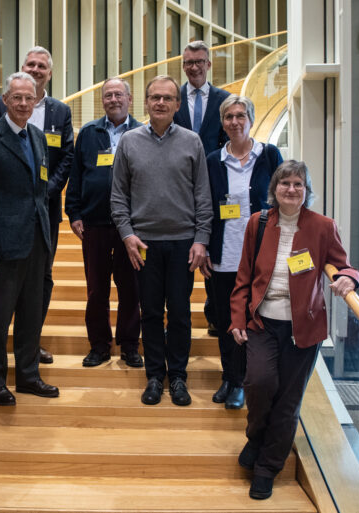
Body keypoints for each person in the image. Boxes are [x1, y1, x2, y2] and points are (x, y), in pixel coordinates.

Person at [229, 160, 359, 500]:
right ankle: (257, 436)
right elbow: (243, 277)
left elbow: (345, 267)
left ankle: (267, 467)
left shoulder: (323, 226)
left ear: (307, 190)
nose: (291, 189)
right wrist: (237, 318)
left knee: (288, 402)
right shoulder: (257, 223)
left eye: (298, 184)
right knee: (259, 384)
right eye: (285, 183)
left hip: (304, 327)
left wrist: (350, 279)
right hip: (261, 321)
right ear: (274, 189)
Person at [110, 75, 212, 407]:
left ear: (177, 104)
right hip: (144, 244)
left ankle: (178, 376)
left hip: (183, 242)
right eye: (155, 97)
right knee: (150, 312)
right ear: (146, 102)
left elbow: (203, 197)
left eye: (168, 98)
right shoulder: (128, 141)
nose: (161, 103)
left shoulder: (192, 141)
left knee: (180, 313)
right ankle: (155, 375)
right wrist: (127, 234)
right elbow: (118, 197)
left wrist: (201, 239)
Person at [0, 71, 59, 406]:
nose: (23, 103)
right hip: (4, 244)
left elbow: (40, 190)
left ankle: (28, 376)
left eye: (29, 98)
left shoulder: (37, 137)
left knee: (32, 312)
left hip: (37, 239)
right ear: (5, 100)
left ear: (36, 102)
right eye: (17, 97)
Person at [0, 46, 74, 364]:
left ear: (50, 73)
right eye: (30, 64)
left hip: (45, 211)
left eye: (42, 66)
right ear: (22, 68)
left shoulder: (61, 112)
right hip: (8, 213)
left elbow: (66, 157)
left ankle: (29, 343)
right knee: (7, 279)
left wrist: (46, 191)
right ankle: (0, 349)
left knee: (42, 278)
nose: (36, 69)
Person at [201, 95, 283, 409]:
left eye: (240, 115)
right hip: (224, 254)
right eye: (229, 117)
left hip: (260, 258)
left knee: (253, 322)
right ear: (222, 123)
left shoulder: (269, 155)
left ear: (250, 118)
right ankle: (230, 377)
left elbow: (282, 201)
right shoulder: (213, 161)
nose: (235, 122)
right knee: (225, 321)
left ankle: (247, 380)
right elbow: (205, 206)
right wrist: (205, 245)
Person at [65, 77, 143, 368]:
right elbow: (76, 175)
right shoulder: (88, 133)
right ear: (103, 101)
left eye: (118, 94)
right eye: (108, 95)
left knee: (131, 288)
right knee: (96, 289)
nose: (113, 99)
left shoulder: (142, 132)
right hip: (95, 225)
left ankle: (129, 345)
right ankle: (99, 344)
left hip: (132, 229)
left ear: (129, 99)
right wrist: (73, 213)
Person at [173, 40, 231, 336]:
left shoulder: (225, 100)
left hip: (215, 186)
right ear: (183, 66)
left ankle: (214, 311)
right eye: (188, 63)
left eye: (199, 61)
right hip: (178, 188)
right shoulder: (174, 98)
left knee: (213, 248)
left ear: (209, 64)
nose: (193, 67)